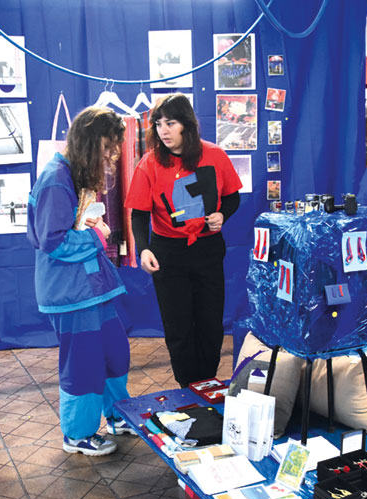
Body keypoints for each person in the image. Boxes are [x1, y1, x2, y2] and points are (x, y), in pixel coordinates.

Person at [26, 107, 134, 457]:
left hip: (89, 287)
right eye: (106, 146)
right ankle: (78, 434)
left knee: (114, 351)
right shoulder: (56, 178)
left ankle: (119, 415)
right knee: (83, 362)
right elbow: (52, 241)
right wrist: (98, 237)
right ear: (89, 141)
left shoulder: (70, 174)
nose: (110, 155)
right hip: (70, 292)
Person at [126, 94, 242, 388]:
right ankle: (187, 387)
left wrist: (221, 215)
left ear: (186, 125)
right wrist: (144, 249)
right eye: (159, 124)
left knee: (210, 324)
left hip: (208, 249)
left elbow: (232, 197)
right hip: (168, 253)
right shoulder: (149, 163)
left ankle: (207, 384)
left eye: (171, 123)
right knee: (178, 327)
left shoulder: (214, 155)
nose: (163, 131)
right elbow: (138, 214)